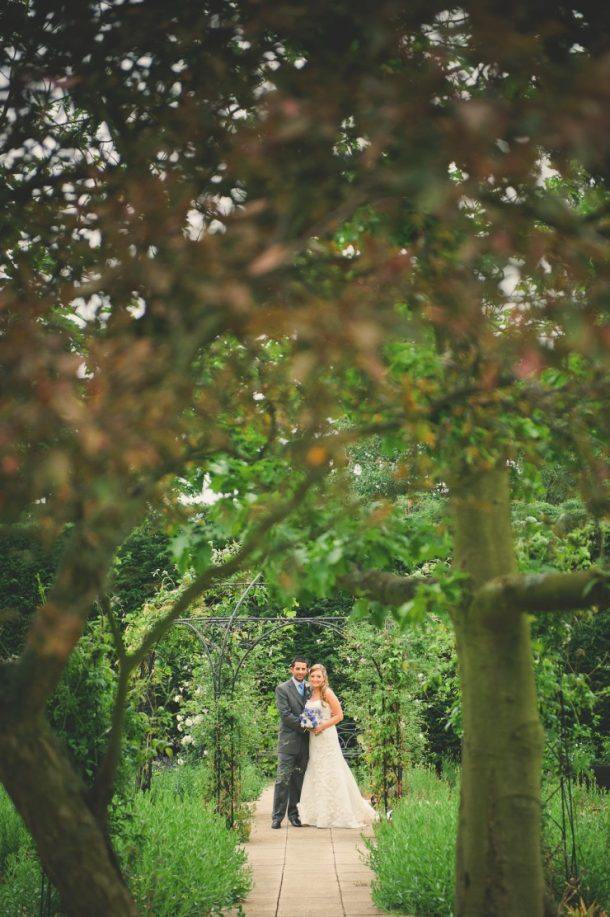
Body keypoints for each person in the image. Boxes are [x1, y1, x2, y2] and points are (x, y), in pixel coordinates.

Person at [298, 663, 377, 828]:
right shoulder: (311, 693)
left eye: (318, 676)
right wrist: (308, 725)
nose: (315, 679)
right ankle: (319, 814)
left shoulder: (327, 692)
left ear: (324, 678)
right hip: (315, 739)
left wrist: (321, 726)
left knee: (331, 770)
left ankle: (338, 813)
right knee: (317, 770)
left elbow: (339, 715)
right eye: (312, 676)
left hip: (326, 736)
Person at [271, 655, 311, 828]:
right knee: (283, 779)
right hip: (288, 742)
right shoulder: (282, 689)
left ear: (307, 670)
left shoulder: (311, 688)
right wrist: (306, 726)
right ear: (291, 669)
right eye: (297, 669)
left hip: (307, 743)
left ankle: (294, 815)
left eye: (303, 669)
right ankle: (277, 817)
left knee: (298, 780)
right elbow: (285, 715)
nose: (300, 672)